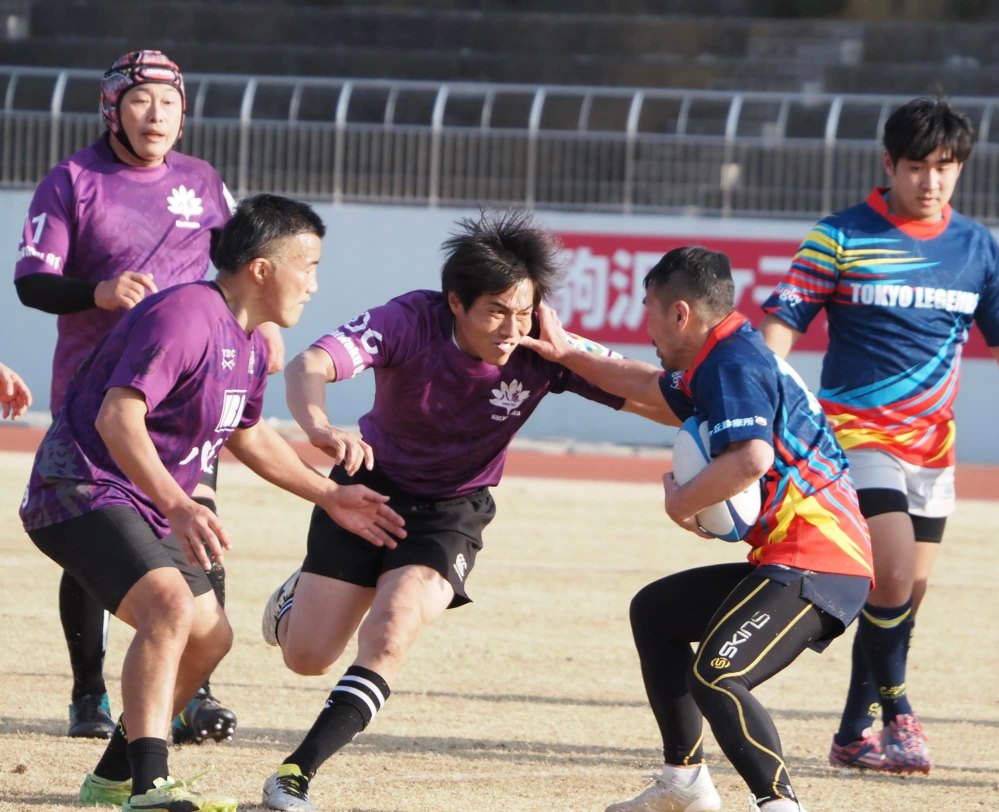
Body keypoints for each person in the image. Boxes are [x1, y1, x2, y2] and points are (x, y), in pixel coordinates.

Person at [19, 194, 406, 812]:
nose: (313, 283)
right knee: (170, 607)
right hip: (80, 486)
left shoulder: (250, 342)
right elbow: (118, 417)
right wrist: (178, 502)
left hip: (143, 498)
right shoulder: (186, 315)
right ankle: (150, 786)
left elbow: (246, 435)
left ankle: (112, 779)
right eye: (306, 265)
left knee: (210, 640)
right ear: (260, 269)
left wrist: (331, 496)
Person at [258, 209, 642, 812]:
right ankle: (292, 600)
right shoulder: (409, 319)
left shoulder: (544, 344)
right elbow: (312, 364)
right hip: (368, 489)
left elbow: (660, 401)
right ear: (456, 302)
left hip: (453, 510)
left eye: (524, 311)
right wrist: (320, 425)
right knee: (307, 656)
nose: (512, 328)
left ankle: (294, 776)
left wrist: (576, 357)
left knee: (389, 632)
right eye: (496, 311)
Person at [522, 246, 874, 812]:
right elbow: (649, 390)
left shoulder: (733, 362)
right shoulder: (721, 356)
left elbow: (752, 458)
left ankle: (780, 804)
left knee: (717, 675)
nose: (647, 325)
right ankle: (683, 783)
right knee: (656, 613)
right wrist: (568, 353)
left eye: (648, 310)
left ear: (680, 313)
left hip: (818, 561)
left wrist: (681, 501)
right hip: (793, 559)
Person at [13, 48, 283, 743]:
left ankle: (195, 693)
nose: (156, 113)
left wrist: (263, 328)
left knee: (198, 525)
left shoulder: (203, 181)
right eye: (140, 100)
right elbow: (31, 281)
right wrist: (96, 292)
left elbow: (247, 269)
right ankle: (87, 697)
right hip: (104, 403)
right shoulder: (73, 180)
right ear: (112, 108)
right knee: (101, 541)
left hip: (191, 400)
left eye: (169, 101)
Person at [759, 96, 999, 775]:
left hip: (933, 449)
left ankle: (852, 732)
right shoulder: (840, 235)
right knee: (894, 574)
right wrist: (767, 383)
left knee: (902, 600)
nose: (930, 181)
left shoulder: (976, 248)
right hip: (853, 436)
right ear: (888, 165)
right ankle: (900, 715)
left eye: (945, 168)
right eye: (916, 167)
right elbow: (785, 317)